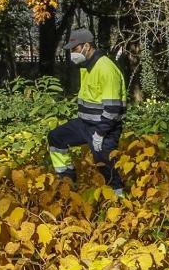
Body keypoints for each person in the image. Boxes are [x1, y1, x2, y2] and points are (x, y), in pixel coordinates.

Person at [47, 28, 126, 194]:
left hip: (104, 128)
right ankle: (67, 182)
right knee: (56, 137)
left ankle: (120, 202)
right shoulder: (87, 66)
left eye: (74, 49)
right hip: (84, 124)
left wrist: (100, 133)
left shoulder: (106, 68)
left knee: (105, 167)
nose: (72, 53)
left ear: (87, 46)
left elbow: (112, 108)